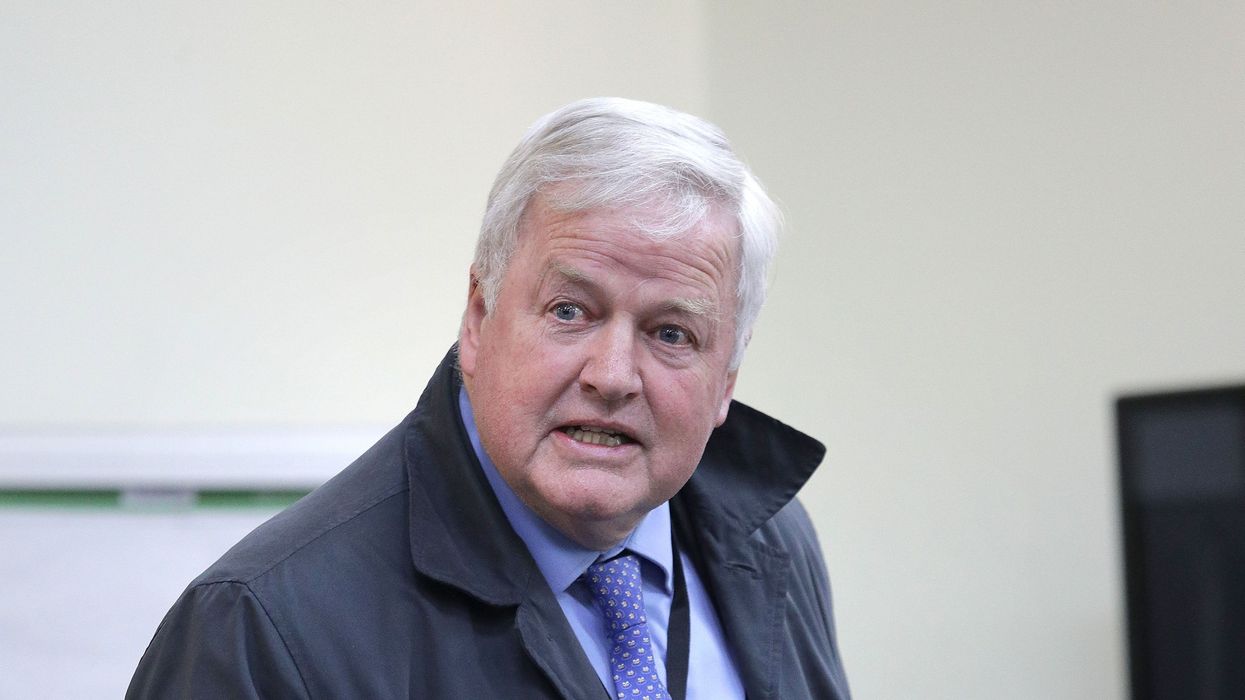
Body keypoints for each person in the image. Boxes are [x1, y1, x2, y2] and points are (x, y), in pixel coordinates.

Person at [128, 97, 851, 699]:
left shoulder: (769, 542)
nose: (612, 375)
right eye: (571, 311)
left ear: (725, 380)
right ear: (478, 317)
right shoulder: (262, 628)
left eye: (670, 333)